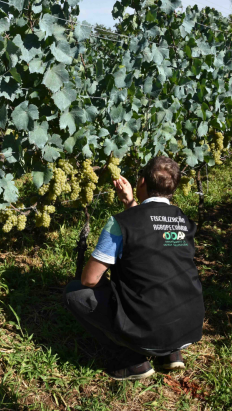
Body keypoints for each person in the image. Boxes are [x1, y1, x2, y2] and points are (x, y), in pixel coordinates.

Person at [62, 156, 205, 380]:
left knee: (75, 293)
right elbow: (153, 228)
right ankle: (171, 354)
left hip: (147, 330)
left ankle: (132, 361)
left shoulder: (121, 223)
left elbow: (89, 280)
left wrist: (113, 288)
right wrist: (130, 202)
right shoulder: (183, 221)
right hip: (188, 327)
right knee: (165, 278)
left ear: (141, 182)